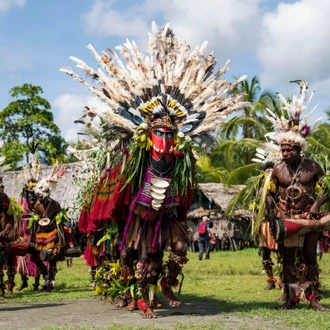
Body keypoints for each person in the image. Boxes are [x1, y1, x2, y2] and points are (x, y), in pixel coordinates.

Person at [62, 22, 247, 318]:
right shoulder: (136, 156)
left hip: (168, 213)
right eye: (158, 133)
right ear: (148, 134)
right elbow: (124, 185)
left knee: (179, 248)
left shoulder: (181, 158)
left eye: (169, 133)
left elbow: (186, 188)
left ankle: (168, 283)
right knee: (142, 254)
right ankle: (142, 296)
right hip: (143, 214)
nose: (164, 139)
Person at [265, 80, 329, 311]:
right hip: (287, 219)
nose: (284, 153)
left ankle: (312, 299)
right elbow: (269, 193)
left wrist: (318, 205)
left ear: (299, 149)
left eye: (289, 150)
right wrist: (272, 213)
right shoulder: (277, 169)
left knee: (310, 258)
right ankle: (291, 299)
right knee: (288, 260)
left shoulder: (313, 167)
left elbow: (327, 188)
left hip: (309, 219)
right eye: (282, 149)